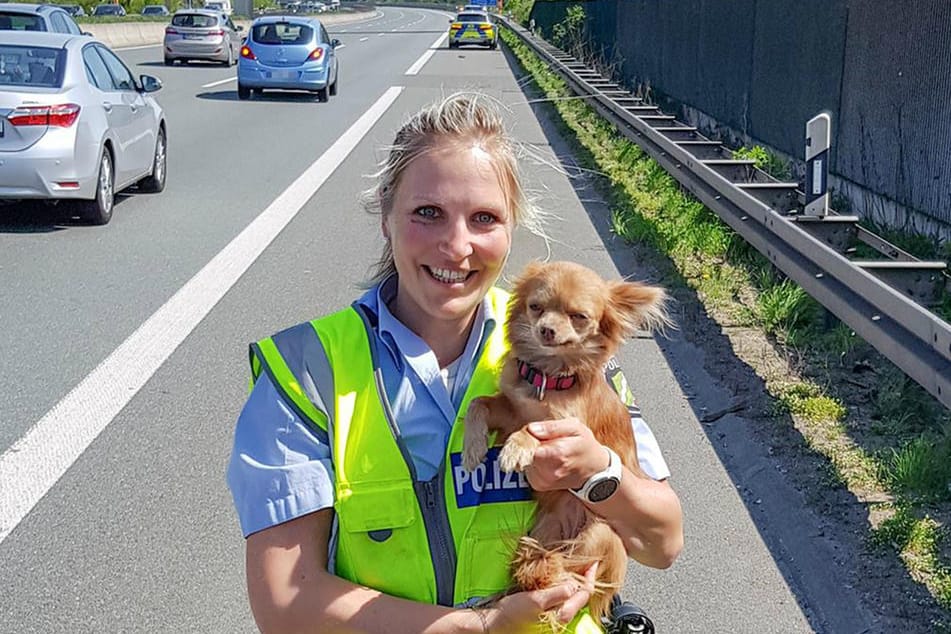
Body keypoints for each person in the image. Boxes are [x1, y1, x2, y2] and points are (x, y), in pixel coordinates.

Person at [226, 92, 683, 634]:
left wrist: (599, 475)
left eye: (484, 218)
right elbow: (285, 603)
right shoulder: (308, 371)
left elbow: (661, 543)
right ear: (386, 219)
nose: (457, 246)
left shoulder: (566, 358)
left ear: (512, 229)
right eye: (428, 213)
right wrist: (481, 626)